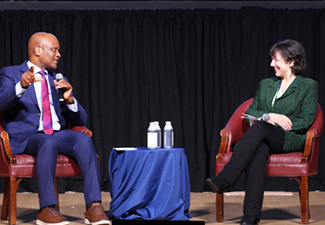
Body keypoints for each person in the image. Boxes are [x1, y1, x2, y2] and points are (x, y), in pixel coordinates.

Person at [0, 32, 110, 225]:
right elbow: (2, 102)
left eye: (58, 50)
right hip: (28, 137)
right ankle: (47, 209)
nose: (58, 54)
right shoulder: (11, 73)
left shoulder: (57, 78)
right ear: (38, 50)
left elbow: (80, 119)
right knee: (47, 142)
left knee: (84, 139)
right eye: (54, 50)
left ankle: (94, 206)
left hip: (57, 133)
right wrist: (21, 86)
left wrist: (70, 100)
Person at [206, 39, 318, 225]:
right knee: (259, 149)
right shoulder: (267, 84)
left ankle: (225, 178)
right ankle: (250, 216)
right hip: (263, 137)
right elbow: (251, 111)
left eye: (276, 60)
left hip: (289, 138)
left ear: (291, 61)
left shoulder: (308, 86)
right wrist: (269, 115)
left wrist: (276, 122)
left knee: (261, 128)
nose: (271, 64)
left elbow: (305, 120)